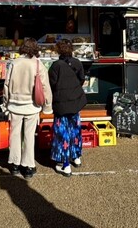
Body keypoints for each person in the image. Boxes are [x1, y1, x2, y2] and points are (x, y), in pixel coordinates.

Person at [3, 38, 52, 179]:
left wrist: (6, 104)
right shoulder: (38, 64)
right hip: (32, 106)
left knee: (15, 135)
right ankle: (28, 166)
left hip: (15, 105)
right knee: (29, 136)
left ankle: (14, 164)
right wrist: (47, 107)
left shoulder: (14, 63)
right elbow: (45, 87)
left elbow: (6, 85)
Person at [48, 39, 87, 177]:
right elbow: (82, 79)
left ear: (59, 50)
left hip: (61, 104)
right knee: (75, 130)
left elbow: (52, 84)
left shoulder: (56, 66)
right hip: (75, 101)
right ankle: (76, 157)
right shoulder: (77, 62)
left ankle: (65, 165)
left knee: (62, 133)